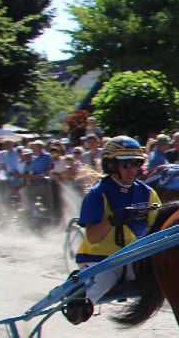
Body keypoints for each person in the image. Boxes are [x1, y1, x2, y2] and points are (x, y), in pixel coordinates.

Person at [64, 136, 161, 325]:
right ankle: (78, 294)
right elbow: (92, 237)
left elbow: (156, 228)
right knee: (94, 293)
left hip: (132, 261)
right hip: (100, 262)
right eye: (126, 164)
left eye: (137, 163)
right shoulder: (97, 194)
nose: (132, 169)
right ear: (111, 165)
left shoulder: (148, 193)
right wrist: (111, 221)